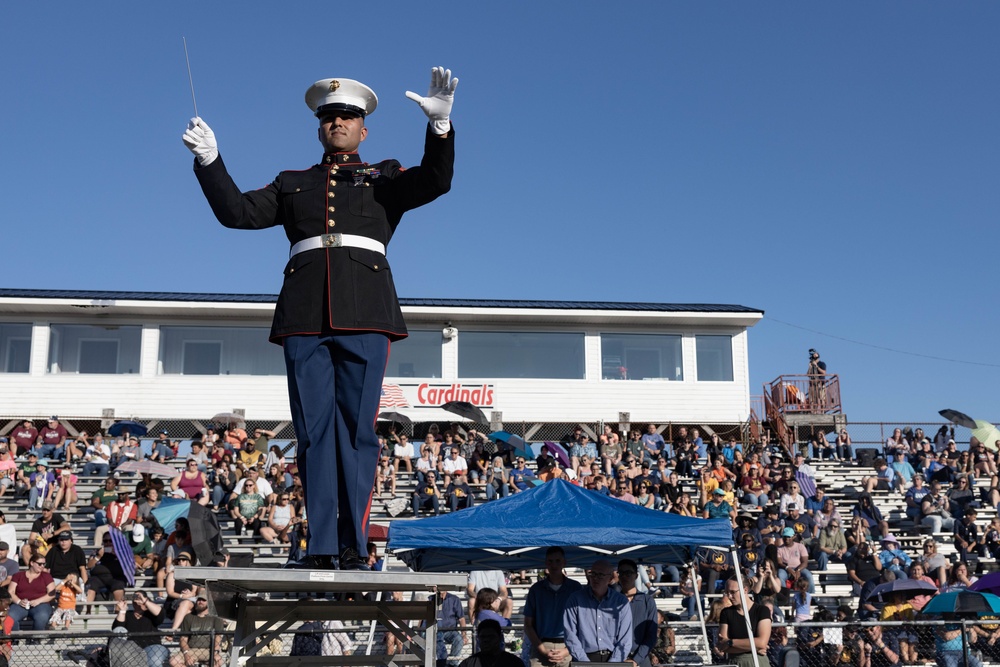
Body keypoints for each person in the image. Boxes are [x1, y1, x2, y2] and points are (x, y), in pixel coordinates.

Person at [185, 67, 457, 571]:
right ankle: (322, 545)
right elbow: (238, 213)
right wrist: (210, 161)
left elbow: (436, 182)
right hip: (306, 315)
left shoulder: (385, 177)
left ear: (363, 129)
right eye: (330, 117)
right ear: (319, 127)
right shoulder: (293, 183)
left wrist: (439, 129)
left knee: (357, 432)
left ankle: (354, 544)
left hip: (366, 314)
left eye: (348, 117)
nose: (338, 123)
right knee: (313, 433)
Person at [523, 546, 584, 667]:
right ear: (546, 563)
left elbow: (583, 624)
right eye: (550, 561)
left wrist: (568, 650)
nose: (554, 565)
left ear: (564, 563)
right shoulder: (536, 589)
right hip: (541, 645)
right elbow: (528, 624)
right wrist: (542, 650)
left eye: (557, 561)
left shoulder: (575, 588)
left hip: (568, 646)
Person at [563, 559, 633, 663]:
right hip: (583, 658)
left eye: (600, 575)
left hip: (613, 658)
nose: (595, 578)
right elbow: (570, 635)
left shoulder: (620, 602)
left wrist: (613, 664)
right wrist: (585, 663)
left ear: (610, 578)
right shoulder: (575, 599)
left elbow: (625, 639)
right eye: (593, 574)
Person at [717, 577, 772, 667]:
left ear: (745, 590)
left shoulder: (762, 611)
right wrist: (754, 648)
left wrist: (730, 642)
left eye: (732, 592)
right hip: (734, 662)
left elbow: (762, 642)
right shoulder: (726, 613)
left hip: (757, 662)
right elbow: (722, 646)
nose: (729, 596)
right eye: (727, 592)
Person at [615, 558, 657, 667]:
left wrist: (636, 660)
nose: (624, 576)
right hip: (616, 658)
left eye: (628, 573)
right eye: (621, 573)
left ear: (636, 576)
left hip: (641, 659)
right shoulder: (612, 601)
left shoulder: (647, 601)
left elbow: (651, 635)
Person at [112, 591, 170, 667]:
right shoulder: (128, 614)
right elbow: (117, 628)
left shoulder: (151, 614)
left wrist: (145, 601)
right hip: (131, 649)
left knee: (154, 661)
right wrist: (122, 610)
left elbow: (160, 613)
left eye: (139, 598)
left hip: (153, 646)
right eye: (135, 598)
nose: (138, 601)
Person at [170, 595, 227, 667]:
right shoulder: (188, 617)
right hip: (191, 650)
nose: (201, 602)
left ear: (209, 602)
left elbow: (218, 638)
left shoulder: (216, 618)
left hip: (209, 650)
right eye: (199, 600)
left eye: (203, 600)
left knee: (218, 661)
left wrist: (215, 653)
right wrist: (186, 654)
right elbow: (183, 639)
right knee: (173, 661)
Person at [8, 555, 54, 631]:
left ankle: (35, 639)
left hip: (41, 604)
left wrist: (38, 601)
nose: (42, 566)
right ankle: (15, 639)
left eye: (44, 564)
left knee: (41, 616)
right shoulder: (18, 575)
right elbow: (11, 591)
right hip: (20, 604)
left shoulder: (46, 576)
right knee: (11, 616)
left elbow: (52, 594)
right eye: (39, 564)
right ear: (32, 563)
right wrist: (19, 601)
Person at [459, 619, 524, 667]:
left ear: (500, 637)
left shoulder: (514, 663)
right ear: (478, 638)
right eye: (482, 637)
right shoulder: (468, 664)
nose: (486, 640)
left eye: (491, 636)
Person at [436, 589, 467, 667]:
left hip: (451, 631)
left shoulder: (454, 599)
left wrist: (464, 634)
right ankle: (442, 662)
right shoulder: (431, 599)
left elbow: (461, 618)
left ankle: (452, 664)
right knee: (438, 639)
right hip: (436, 630)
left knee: (459, 639)